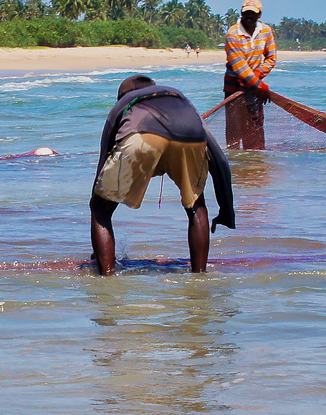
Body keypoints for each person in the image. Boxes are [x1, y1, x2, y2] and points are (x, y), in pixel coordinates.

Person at [90, 74, 235, 275]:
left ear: (123, 95)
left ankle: (106, 277)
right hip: (189, 136)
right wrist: (227, 210)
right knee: (195, 205)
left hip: (140, 135)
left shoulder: (122, 104)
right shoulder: (180, 99)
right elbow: (219, 159)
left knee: (101, 209)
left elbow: (104, 157)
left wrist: (96, 201)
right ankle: (199, 276)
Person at [223, 0, 276, 150]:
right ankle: (235, 167)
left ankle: (254, 169)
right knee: (234, 133)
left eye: (253, 13)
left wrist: (259, 73)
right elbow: (240, 68)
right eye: (246, 13)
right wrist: (261, 86)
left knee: (255, 130)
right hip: (234, 89)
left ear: (259, 15)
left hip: (254, 89)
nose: (249, 16)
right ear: (241, 12)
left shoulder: (266, 31)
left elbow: (271, 58)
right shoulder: (233, 34)